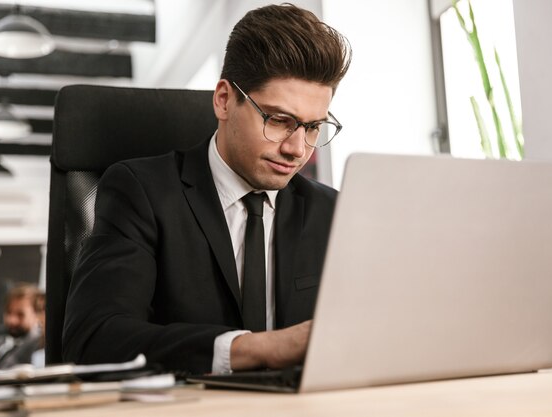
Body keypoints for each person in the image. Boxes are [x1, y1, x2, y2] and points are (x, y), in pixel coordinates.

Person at [63, 3, 352, 375]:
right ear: (224, 100)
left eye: (313, 127)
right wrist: (259, 349)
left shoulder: (330, 212)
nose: (297, 149)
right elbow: (93, 340)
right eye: (280, 120)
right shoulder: (141, 193)